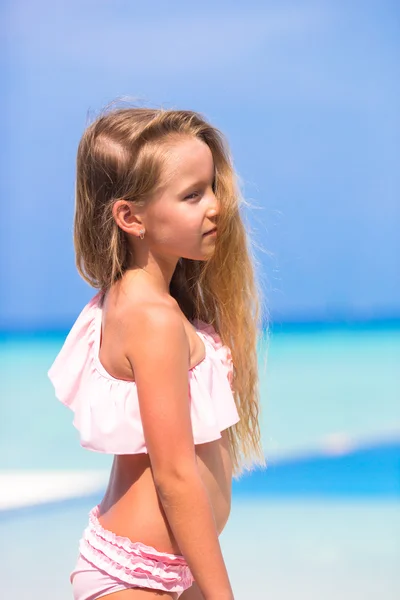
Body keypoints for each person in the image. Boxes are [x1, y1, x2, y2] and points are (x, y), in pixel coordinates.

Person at [48, 102, 267, 600]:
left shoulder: (134, 301)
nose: (216, 205)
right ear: (130, 216)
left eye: (211, 186)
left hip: (166, 569)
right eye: (192, 195)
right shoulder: (154, 318)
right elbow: (173, 476)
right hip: (135, 576)